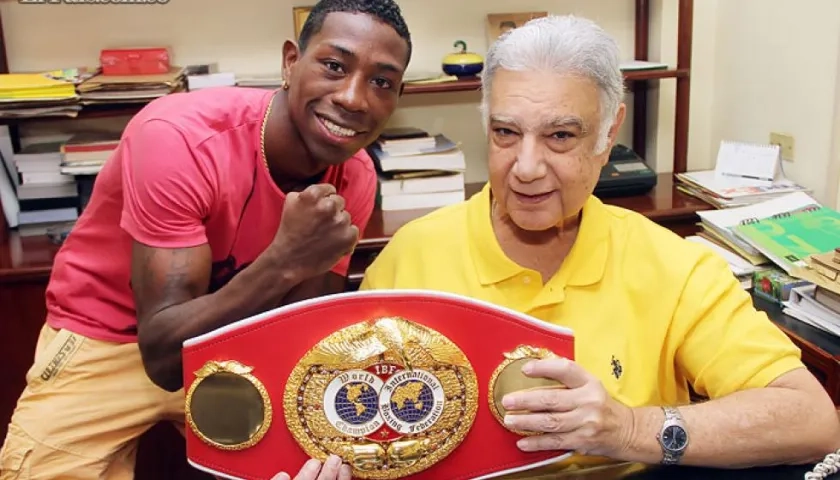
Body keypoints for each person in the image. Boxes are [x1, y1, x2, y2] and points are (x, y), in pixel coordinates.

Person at [359, 14, 840, 472]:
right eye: (506, 132)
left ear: (609, 134)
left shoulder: (673, 265)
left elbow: (812, 419)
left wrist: (630, 429)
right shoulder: (410, 258)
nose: (526, 168)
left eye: (560, 136)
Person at [0, 0, 412, 478]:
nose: (354, 98)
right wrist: (284, 262)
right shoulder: (177, 139)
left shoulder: (354, 175)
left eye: (382, 82)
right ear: (289, 62)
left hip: (240, 334)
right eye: (334, 66)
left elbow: (297, 337)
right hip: (111, 334)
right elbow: (164, 357)